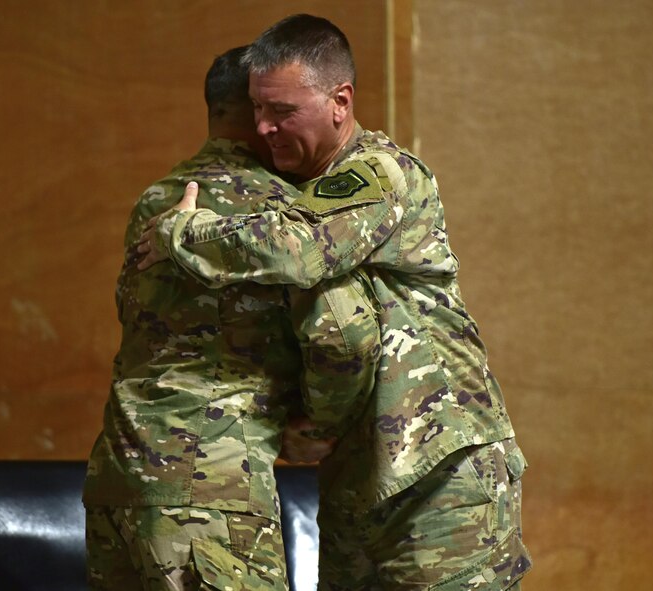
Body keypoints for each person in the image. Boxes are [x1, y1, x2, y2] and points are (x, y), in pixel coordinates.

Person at [138, 15, 531, 591]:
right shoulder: (305, 192)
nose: (263, 128)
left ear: (340, 102)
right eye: (256, 109)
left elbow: (298, 251)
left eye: (283, 112)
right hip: (360, 476)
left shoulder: (378, 174)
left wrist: (183, 232)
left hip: (444, 477)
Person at [82, 45, 380, 591]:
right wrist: (319, 428)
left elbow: (131, 312)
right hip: (212, 488)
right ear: (257, 108)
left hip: (117, 480)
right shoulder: (281, 209)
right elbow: (344, 334)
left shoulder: (159, 200)